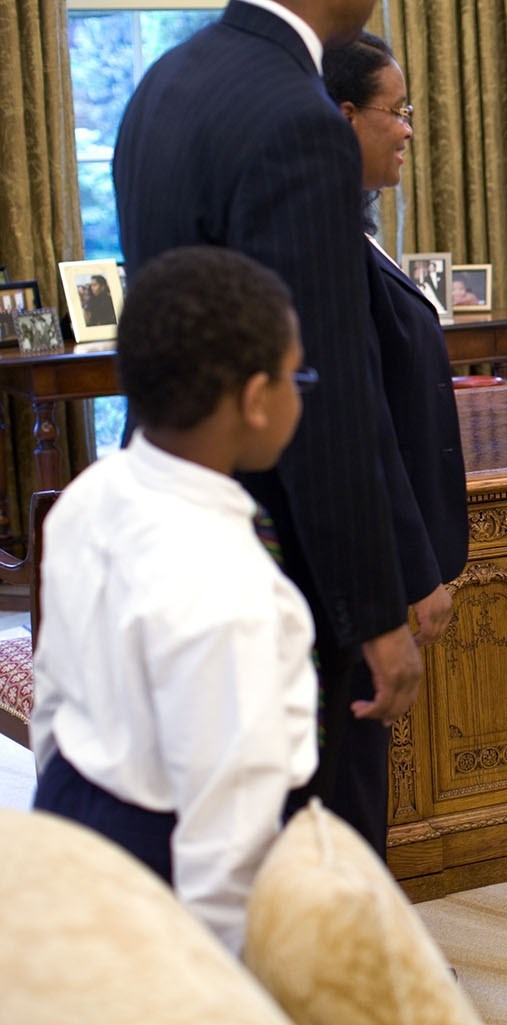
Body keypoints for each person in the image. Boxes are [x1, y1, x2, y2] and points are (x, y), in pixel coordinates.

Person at [112, 0, 424, 850]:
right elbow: (322, 387)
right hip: (283, 556)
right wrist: (375, 611)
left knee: (211, 823)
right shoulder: (297, 118)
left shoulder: (163, 84)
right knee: (315, 844)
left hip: (174, 518)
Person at [29, 245, 317, 954]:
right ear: (255, 400)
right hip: (166, 858)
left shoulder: (88, 495)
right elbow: (227, 837)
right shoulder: (234, 587)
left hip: (70, 804)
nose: (300, 393)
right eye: (295, 376)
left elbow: (52, 696)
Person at [323, 31, 468, 852]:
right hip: (370, 569)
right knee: (348, 782)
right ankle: (360, 965)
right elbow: (363, 423)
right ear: (346, 117)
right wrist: (412, 569)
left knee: (361, 777)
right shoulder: (327, 244)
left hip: (383, 560)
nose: (410, 128)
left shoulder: (356, 226)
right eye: (398, 110)